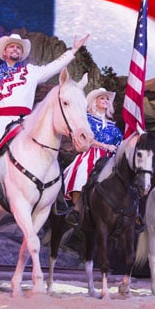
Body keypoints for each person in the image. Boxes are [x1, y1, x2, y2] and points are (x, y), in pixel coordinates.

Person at [0, 32, 90, 199]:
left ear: (21, 54)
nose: (15, 49)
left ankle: (57, 197)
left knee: (48, 148)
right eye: (12, 46)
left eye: (18, 47)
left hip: (26, 122)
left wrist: (74, 50)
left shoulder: (31, 71)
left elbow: (54, 67)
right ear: (5, 52)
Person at [62, 87, 122, 226]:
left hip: (109, 157)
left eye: (107, 99)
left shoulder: (113, 126)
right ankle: (76, 210)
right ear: (95, 102)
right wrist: (105, 146)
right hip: (91, 153)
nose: (106, 101)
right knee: (82, 173)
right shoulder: (87, 119)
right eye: (102, 98)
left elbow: (120, 142)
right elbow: (86, 137)